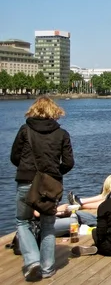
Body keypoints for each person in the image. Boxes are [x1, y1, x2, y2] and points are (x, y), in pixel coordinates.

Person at [10, 96, 74, 281]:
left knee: (23, 221)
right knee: (47, 225)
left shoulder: (25, 130)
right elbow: (69, 162)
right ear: (55, 112)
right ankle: (47, 269)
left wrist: (26, 169)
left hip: (26, 181)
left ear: (34, 110)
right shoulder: (62, 134)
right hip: (50, 185)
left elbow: (14, 157)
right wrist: (55, 174)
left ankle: (32, 261)